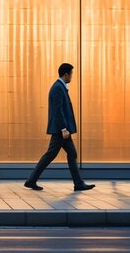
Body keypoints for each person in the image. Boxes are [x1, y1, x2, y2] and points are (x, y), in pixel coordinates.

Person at [24, 63, 95, 192]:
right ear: (66, 74)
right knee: (51, 155)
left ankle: (78, 183)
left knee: (70, 153)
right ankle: (31, 180)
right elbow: (58, 110)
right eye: (71, 74)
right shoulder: (57, 88)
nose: (72, 77)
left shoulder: (60, 87)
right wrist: (63, 129)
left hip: (61, 129)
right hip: (60, 130)